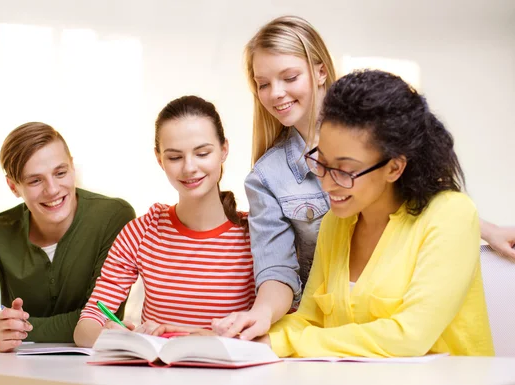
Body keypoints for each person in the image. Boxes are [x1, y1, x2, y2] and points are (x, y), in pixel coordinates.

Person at [212, 15, 514, 341]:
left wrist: (482, 227)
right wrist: (262, 319)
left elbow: (425, 199)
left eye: (289, 77)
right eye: (263, 84)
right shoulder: (291, 192)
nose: (276, 93)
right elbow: (279, 272)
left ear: (319, 71)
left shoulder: (381, 127)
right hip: (336, 344)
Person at [263, 69, 494, 357]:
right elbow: (309, 321)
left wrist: (285, 343)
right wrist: (243, 338)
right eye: (321, 162)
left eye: (345, 170)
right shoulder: (337, 221)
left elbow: (410, 336)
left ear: (394, 167)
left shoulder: (451, 215)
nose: (325, 182)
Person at [73, 95, 255, 347]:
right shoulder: (141, 232)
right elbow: (87, 325)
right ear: (159, 159)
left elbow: (283, 327)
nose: (189, 167)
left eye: (202, 153)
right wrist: (116, 336)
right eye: (174, 157)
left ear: (224, 150)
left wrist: (207, 338)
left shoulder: (255, 235)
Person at [0, 122, 135, 352]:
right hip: (16, 371)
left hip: (96, 368)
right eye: (35, 180)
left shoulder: (113, 217)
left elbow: (103, 317)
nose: (53, 189)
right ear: (13, 186)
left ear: (73, 168)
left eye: (61, 173)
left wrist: (13, 330)